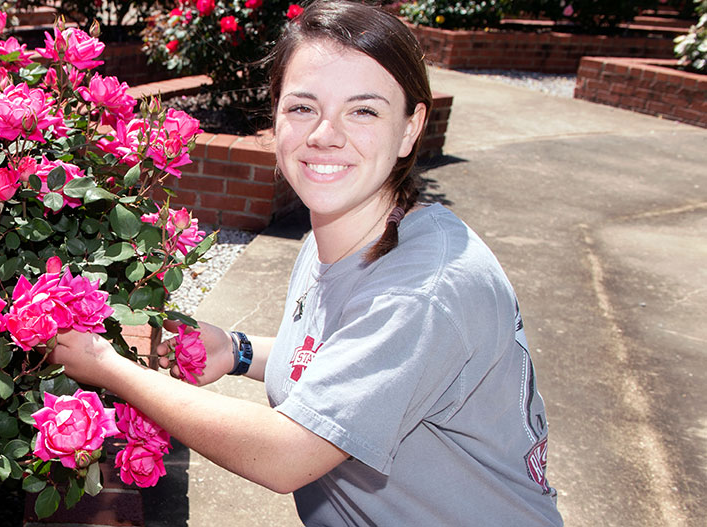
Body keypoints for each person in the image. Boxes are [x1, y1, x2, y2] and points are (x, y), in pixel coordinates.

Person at [49, 1, 563, 525]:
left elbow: (287, 453)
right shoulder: (346, 227)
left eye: (363, 110)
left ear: (410, 128)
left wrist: (103, 364)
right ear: (275, 116)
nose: (325, 134)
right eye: (302, 107)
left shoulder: (423, 291)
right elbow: (344, 361)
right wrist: (236, 350)